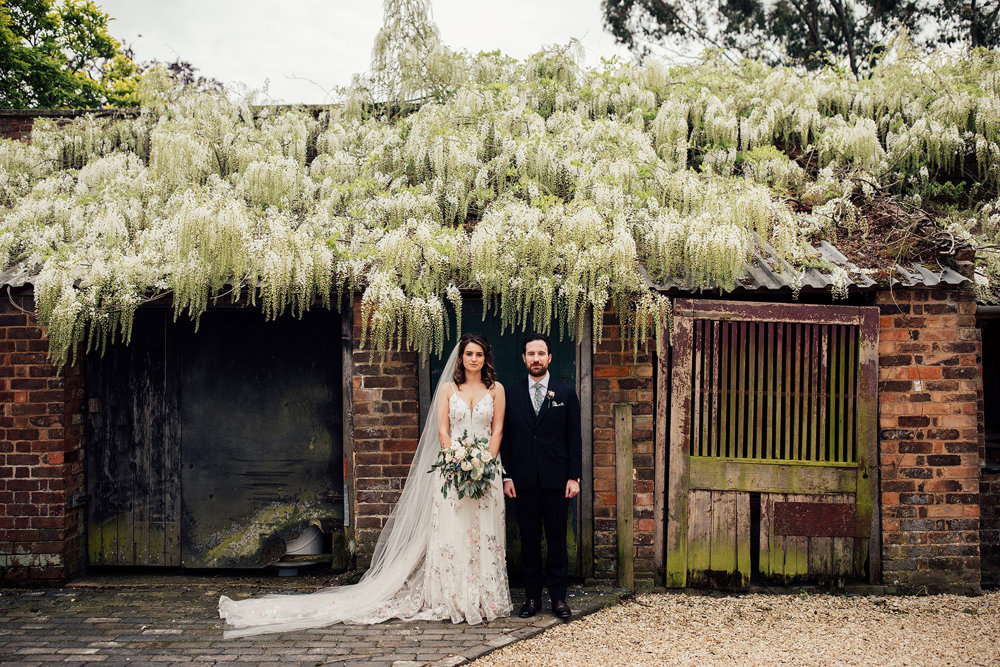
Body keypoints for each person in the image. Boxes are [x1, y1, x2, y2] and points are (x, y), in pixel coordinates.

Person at [218, 333, 512, 637]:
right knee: (453, 535)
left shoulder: (496, 390)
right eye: (469, 354)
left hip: (485, 471)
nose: (473, 359)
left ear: (485, 358)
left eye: (478, 354)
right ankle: (453, 598)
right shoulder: (449, 389)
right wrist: (455, 462)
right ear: (461, 358)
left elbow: (498, 429)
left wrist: (484, 465)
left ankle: (483, 597)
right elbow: (442, 430)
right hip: (452, 471)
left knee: (483, 535)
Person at [501, 332, 582, 620]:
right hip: (522, 482)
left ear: (549, 357)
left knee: (557, 540)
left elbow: (574, 437)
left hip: (557, 480)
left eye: (541, 354)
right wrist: (506, 477)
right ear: (524, 359)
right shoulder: (510, 394)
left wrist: (574, 476)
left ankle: (559, 598)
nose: (536, 359)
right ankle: (532, 598)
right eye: (531, 354)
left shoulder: (565, 392)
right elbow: (506, 439)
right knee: (529, 540)